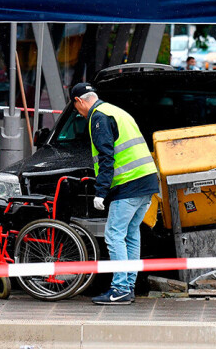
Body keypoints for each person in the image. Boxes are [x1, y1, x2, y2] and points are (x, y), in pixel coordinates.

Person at [70, 82, 159, 305]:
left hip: (128, 184)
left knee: (114, 235)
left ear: (79, 101)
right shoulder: (115, 111)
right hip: (146, 180)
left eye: (76, 107)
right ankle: (128, 286)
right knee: (130, 234)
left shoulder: (98, 117)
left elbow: (106, 157)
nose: (78, 113)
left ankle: (119, 288)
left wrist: (100, 192)